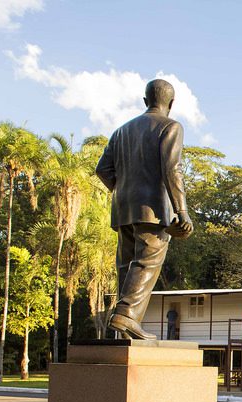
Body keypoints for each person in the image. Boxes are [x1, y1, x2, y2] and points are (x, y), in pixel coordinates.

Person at [96, 79, 193, 340]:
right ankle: (126, 315)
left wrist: (124, 189)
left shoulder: (120, 132)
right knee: (147, 262)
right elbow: (172, 168)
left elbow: (102, 170)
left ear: (145, 101)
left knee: (126, 267)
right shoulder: (170, 126)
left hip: (123, 209)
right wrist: (181, 212)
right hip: (153, 210)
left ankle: (124, 328)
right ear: (171, 104)